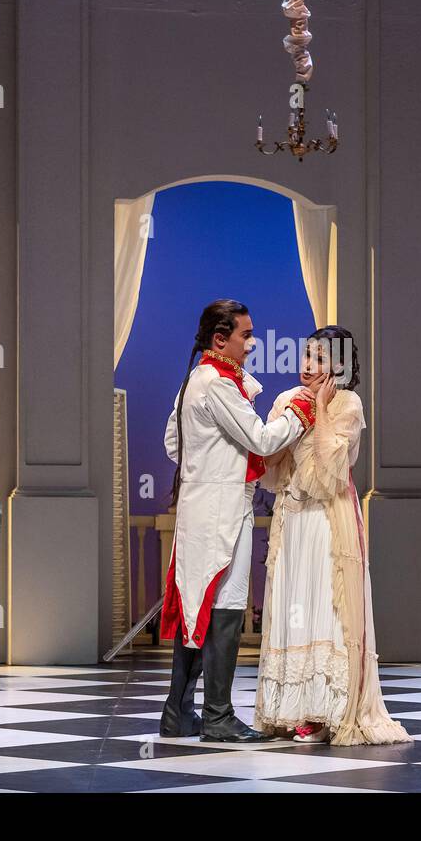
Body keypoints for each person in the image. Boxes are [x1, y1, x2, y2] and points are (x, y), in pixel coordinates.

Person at [158, 299, 317, 742]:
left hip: (204, 500)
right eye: (246, 336)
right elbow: (263, 440)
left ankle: (179, 713)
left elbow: (175, 442)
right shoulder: (217, 384)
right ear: (219, 339)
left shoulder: (197, 379)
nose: (252, 344)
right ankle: (218, 715)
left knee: (200, 604)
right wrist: (300, 412)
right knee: (225, 604)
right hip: (223, 505)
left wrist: (207, 465)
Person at [254, 327, 411, 745]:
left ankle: (328, 711)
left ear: (338, 366)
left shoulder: (348, 404)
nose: (309, 365)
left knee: (328, 605)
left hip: (328, 518)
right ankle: (290, 708)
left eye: (320, 359)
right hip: (293, 516)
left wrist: (320, 409)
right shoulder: (287, 399)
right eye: (307, 356)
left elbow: (333, 467)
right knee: (293, 604)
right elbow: (269, 462)